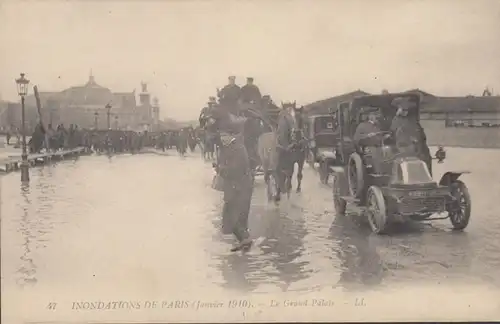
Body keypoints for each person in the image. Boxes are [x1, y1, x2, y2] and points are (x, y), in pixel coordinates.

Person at [210, 102, 254, 252]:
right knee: (234, 219)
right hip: (236, 188)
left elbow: (235, 170)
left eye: (224, 136)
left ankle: (246, 241)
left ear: (231, 135)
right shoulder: (231, 147)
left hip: (240, 189)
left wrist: (221, 169)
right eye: (221, 136)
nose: (222, 139)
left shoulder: (238, 148)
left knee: (234, 218)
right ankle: (244, 243)